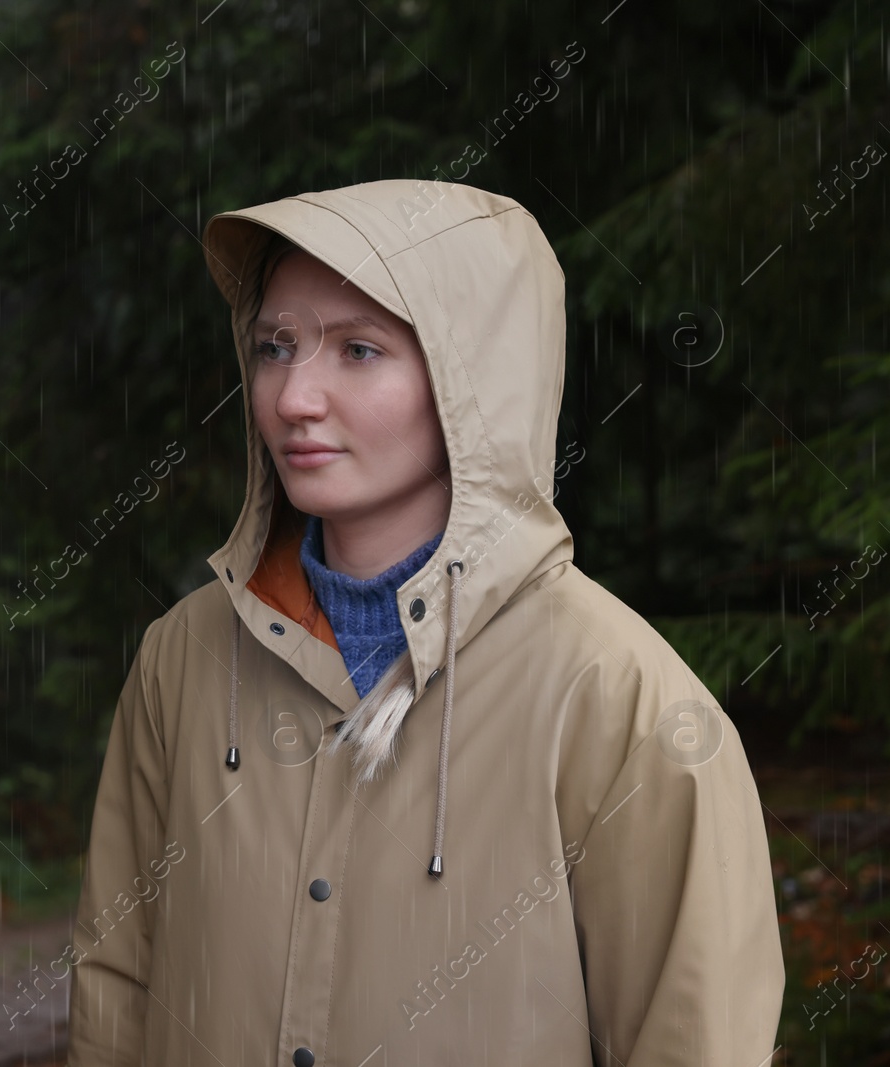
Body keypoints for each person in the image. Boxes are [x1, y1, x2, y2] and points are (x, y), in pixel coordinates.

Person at [63, 180, 783, 1066]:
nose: (294, 397)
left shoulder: (620, 694)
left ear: (475, 379)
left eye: (359, 351)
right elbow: (116, 987)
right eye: (275, 347)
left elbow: (693, 1040)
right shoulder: (182, 655)